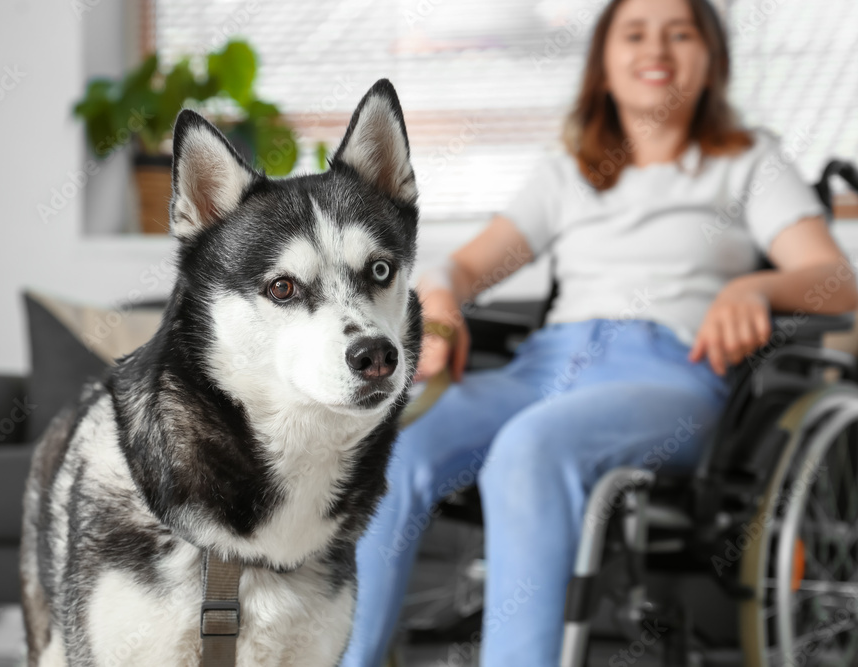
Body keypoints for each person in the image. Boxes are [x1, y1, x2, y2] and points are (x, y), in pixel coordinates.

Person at [339, 0, 858, 665]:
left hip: (667, 373)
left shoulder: (749, 162)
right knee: (394, 439)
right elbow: (466, 265)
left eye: (680, 33)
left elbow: (833, 279)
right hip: (544, 366)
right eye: (635, 33)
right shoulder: (572, 168)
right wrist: (439, 300)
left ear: (712, 58)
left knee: (530, 446)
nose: (657, 48)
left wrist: (755, 286)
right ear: (604, 63)